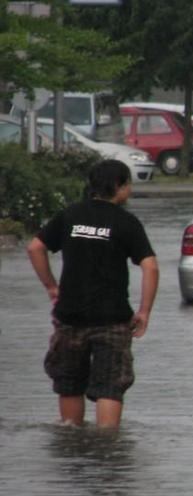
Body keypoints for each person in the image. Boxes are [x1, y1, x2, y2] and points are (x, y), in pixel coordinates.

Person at [26, 159, 159, 427]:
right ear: (119, 186)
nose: (130, 190)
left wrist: (52, 286)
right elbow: (150, 267)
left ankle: (73, 445)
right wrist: (144, 311)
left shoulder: (70, 215)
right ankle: (107, 450)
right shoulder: (126, 222)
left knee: (69, 383)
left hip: (70, 315)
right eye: (128, 184)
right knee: (111, 385)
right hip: (112, 319)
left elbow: (35, 248)